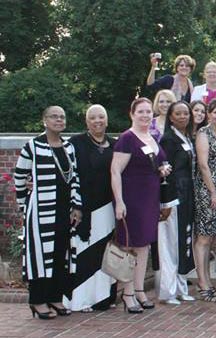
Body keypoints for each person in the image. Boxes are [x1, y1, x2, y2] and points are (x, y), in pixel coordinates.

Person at [15, 106, 83, 319]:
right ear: (44, 120)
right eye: (54, 116)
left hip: (64, 210)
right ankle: (37, 300)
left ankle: (55, 297)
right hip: (40, 212)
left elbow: (75, 178)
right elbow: (19, 176)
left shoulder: (68, 147)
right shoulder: (33, 146)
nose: (59, 120)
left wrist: (77, 207)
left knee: (59, 255)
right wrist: (24, 206)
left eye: (62, 116)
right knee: (40, 257)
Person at [111, 98, 173, 313]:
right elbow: (115, 171)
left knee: (144, 246)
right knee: (129, 247)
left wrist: (164, 168)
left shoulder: (153, 137)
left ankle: (139, 290)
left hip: (150, 199)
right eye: (141, 112)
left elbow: (160, 162)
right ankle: (127, 294)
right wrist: (119, 201)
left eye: (148, 112)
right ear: (132, 114)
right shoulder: (126, 139)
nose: (145, 115)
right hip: (132, 199)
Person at [68, 105, 117, 312]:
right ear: (86, 122)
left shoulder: (115, 144)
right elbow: (69, 173)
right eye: (92, 118)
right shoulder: (76, 143)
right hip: (86, 208)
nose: (97, 121)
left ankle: (103, 298)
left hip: (109, 208)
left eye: (101, 117)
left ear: (106, 121)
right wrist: (75, 205)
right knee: (85, 252)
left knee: (106, 253)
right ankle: (82, 299)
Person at [156, 101, 196, 305]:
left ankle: (181, 287)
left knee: (184, 241)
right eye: (178, 113)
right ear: (170, 117)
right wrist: (166, 202)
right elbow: (165, 174)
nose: (183, 116)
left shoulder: (187, 138)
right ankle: (168, 290)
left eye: (186, 113)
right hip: (174, 196)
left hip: (188, 195)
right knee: (171, 243)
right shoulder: (168, 140)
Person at [192, 99, 216, 300]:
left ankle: (206, 278)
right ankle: (203, 282)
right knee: (203, 237)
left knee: (211, 237)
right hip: (206, 190)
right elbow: (203, 165)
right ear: (209, 113)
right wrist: (213, 192)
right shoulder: (203, 134)